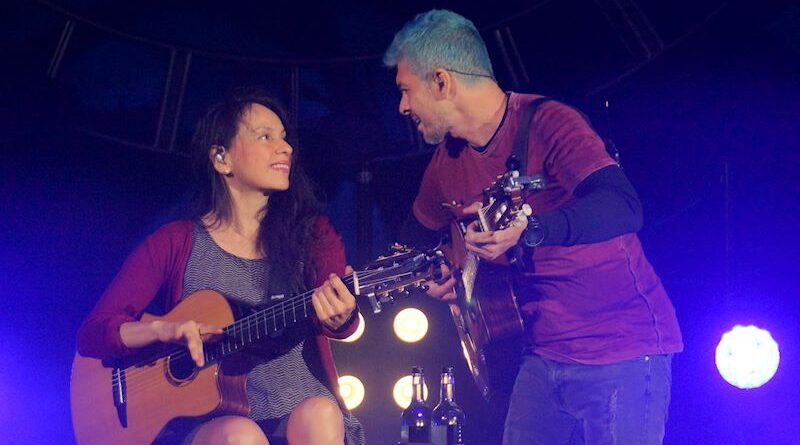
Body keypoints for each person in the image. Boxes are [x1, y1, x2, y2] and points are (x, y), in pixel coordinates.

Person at [384, 9, 683, 445]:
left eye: (406, 90)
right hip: (538, 356)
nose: (402, 107)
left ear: (442, 81)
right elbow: (411, 239)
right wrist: (439, 271)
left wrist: (531, 229)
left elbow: (623, 206)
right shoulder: (446, 162)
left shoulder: (549, 122)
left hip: (621, 347)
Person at [76, 88, 365, 445]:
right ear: (221, 158)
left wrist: (343, 318)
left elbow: (342, 314)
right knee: (238, 436)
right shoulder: (175, 241)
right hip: (214, 424)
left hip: (304, 414)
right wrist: (163, 330)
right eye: (265, 137)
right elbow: (94, 334)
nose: (286, 148)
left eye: (285, 138)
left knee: (321, 411)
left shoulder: (312, 235)